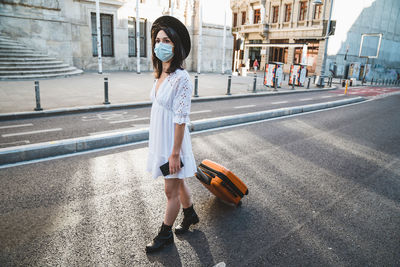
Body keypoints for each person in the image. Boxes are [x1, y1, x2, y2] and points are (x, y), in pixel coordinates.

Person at [145, 16, 199, 253]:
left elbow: (180, 119)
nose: (161, 44)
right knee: (178, 182)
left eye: (166, 40)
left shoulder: (182, 78)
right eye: (158, 40)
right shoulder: (161, 73)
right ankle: (190, 214)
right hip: (161, 139)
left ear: (176, 45)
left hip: (172, 143)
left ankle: (165, 235)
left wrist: (174, 154)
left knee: (170, 190)